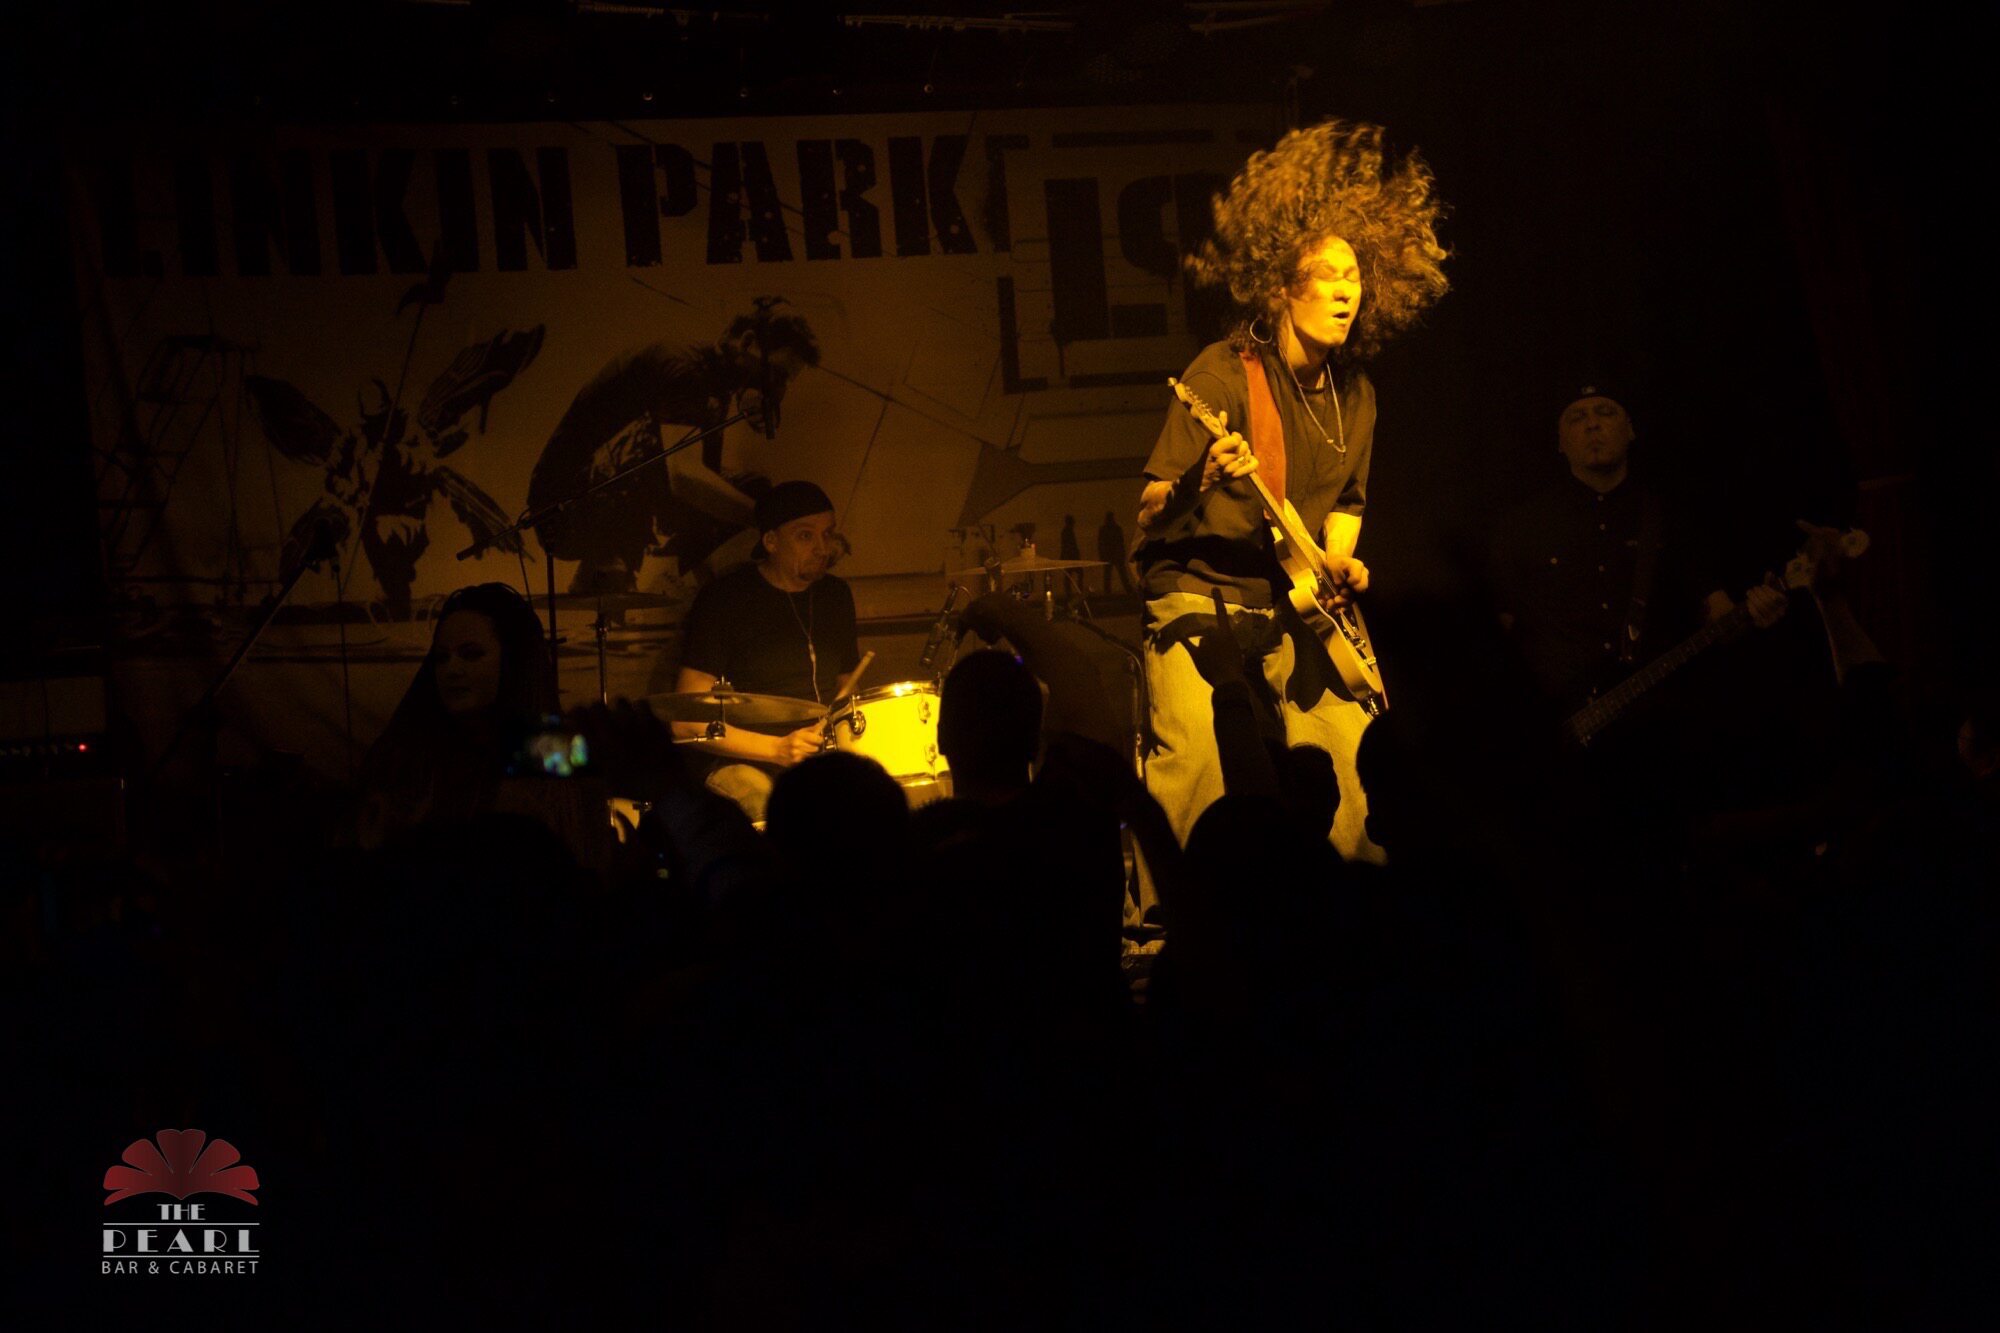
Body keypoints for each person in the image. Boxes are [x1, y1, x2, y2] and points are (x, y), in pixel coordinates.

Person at [1133, 119, 1449, 863]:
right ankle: (1181, 907)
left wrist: (1339, 562)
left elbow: (1346, 504)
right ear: (1281, 288)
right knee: (1200, 764)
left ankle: (1361, 898)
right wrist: (1202, 477)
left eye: (1354, 277)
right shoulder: (1223, 372)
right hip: (1200, 591)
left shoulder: (1356, 394)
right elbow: (1148, 512)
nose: (1345, 292)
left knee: (1355, 757)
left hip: (1295, 602)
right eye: (1327, 276)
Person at [1490, 382, 1788, 719]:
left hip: (1658, 719)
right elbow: (1496, 635)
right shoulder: (1523, 527)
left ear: (1630, 430)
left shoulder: (1670, 519)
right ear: (1560, 442)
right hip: (1558, 726)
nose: (1592, 424)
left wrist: (1754, 613)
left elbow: (1718, 615)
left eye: (1605, 413)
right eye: (1577, 418)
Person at [354, 582, 608, 864]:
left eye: (471, 654)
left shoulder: (553, 755)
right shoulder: (409, 755)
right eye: (441, 658)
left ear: (512, 661)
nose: (451, 669)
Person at [671, 481, 863, 823]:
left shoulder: (835, 596)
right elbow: (686, 722)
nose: (822, 548)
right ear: (771, 542)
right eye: (805, 536)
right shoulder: (726, 598)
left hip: (818, 756)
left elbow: (849, 686)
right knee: (769, 807)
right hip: (745, 759)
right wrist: (776, 749)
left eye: (827, 533)